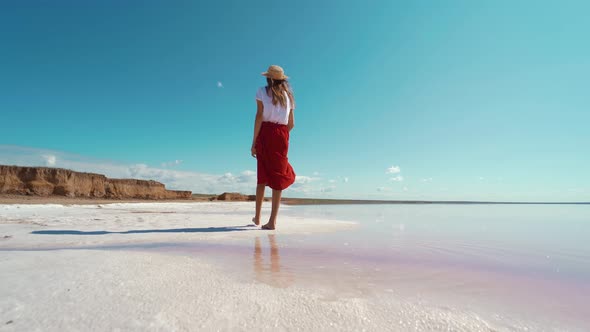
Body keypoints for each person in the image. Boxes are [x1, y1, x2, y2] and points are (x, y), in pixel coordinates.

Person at [251, 65, 296, 230]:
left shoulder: (261, 91)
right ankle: (272, 221)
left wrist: (254, 142)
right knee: (278, 175)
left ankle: (257, 217)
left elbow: (259, 116)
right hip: (282, 134)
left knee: (262, 174)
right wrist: (282, 135)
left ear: (269, 78)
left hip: (266, 131)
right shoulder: (288, 97)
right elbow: (292, 124)